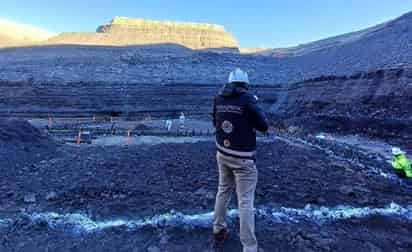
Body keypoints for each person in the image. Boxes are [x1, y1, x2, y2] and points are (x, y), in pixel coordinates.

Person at [212, 68, 268, 252]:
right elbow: (263, 125)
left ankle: (218, 229)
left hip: (222, 152)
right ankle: (249, 247)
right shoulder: (248, 99)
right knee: (245, 200)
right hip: (243, 158)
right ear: (245, 83)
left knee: (223, 190)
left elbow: (215, 122)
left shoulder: (218, 97)